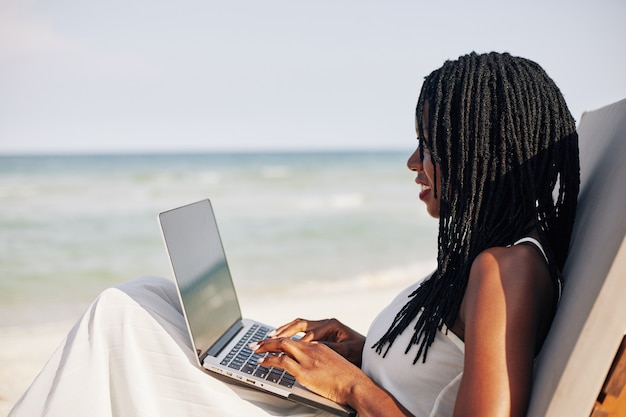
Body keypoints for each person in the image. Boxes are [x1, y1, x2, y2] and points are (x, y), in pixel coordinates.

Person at [9, 51, 580, 417]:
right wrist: (362, 350)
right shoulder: (496, 259)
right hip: (341, 405)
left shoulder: (505, 270)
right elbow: (446, 369)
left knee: (118, 319)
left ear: (480, 153)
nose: (413, 162)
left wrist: (350, 386)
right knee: (147, 297)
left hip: (344, 410)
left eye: (428, 145)